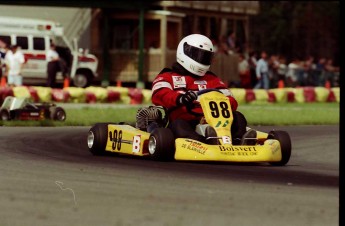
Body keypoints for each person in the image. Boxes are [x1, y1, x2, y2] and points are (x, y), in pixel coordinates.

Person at [150, 34, 256, 145]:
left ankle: (238, 141)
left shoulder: (212, 79)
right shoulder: (167, 76)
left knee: (238, 116)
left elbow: (231, 100)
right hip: (186, 121)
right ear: (184, 52)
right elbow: (160, 93)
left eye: (205, 57)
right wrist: (180, 98)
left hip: (216, 122)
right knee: (179, 125)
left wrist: (217, 102)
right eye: (198, 55)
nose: (201, 60)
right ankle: (201, 142)